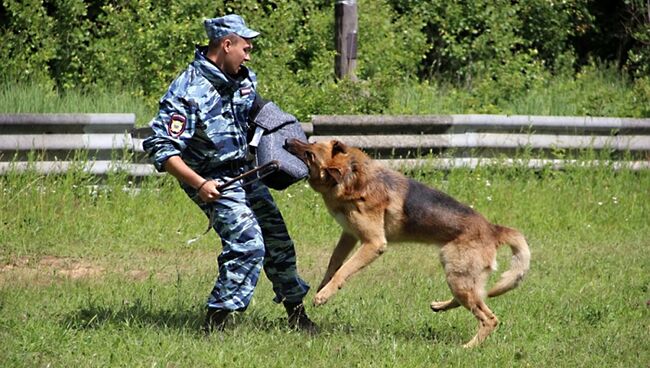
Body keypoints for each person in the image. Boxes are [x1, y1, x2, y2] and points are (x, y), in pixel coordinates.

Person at [142, 14, 318, 335]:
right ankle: (215, 325)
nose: (249, 55)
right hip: (211, 179)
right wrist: (200, 184)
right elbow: (161, 148)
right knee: (247, 243)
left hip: (245, 172)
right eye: (245, 48)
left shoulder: (243, 79)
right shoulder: (187, 91)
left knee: (277, 239)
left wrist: (287, 141)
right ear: (226, 44)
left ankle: (297, 317)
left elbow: (260, 114)